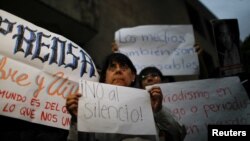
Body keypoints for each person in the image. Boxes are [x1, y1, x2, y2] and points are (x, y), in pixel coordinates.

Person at [66, 53, 184, 141]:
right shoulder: (90, 106)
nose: (118, 70)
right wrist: (77, 120)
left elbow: (179, 135)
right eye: (112, 67)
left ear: (133, 76)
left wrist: (158, 110)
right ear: (104, 78)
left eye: (123, 67)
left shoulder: (151, 102)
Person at [138, 67, 186, 141]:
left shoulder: (172, 103)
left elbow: (179, 134)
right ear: (141, 86)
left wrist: (159, 110)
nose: (149, 79)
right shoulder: (136, 110)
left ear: (163, 81)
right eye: (144, 77)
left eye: (154, 75)